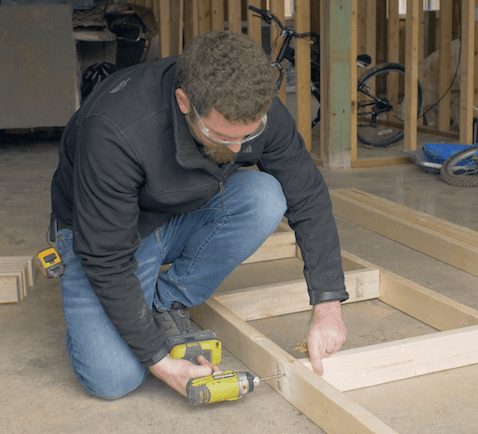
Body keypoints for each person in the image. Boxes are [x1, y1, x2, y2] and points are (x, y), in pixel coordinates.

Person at [49, 30, 349, 400]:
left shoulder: (257, 108)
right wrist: (161, 362)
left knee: (266, 195)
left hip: (181, 210)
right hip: (107, 236)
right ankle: (101, 312)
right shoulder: (115, 130)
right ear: (184, 102)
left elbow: (308, 195)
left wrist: (328, 307)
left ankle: (166, 300)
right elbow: (106, 257)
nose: (239, 148)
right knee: (114, 378)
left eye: (249, 135)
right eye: (222, 137)